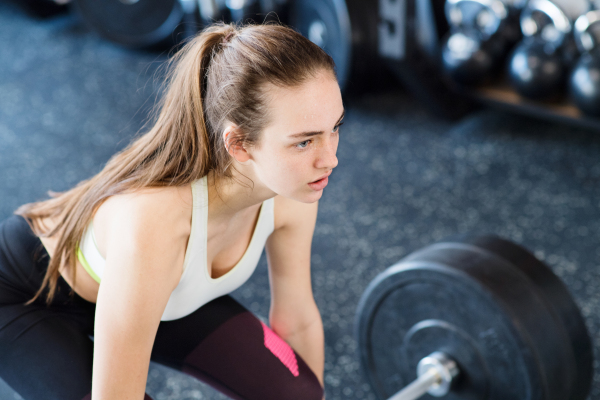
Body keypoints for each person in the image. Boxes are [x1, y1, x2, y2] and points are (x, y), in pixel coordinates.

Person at [0, 21, 344, 400]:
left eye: (334, 129)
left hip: (157, 294)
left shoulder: (293, 191)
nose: (330, 159)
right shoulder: (155, 225)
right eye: (304, 142)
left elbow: (296, 321)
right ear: (240, 144)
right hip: (25, 294)